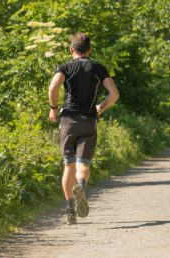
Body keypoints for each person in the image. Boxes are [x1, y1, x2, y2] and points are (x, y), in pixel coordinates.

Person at [48, 33, 119, 225]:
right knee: (83, 163)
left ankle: (70, 209)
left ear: (71, 49)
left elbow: (54, 87)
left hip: (68, 120)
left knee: (68, 165)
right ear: (90, 50)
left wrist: (53, 109)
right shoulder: (98, 68)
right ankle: (80, 186)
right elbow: (114, 94)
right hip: (88, 119)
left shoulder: (65, 67)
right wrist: (100, 108)